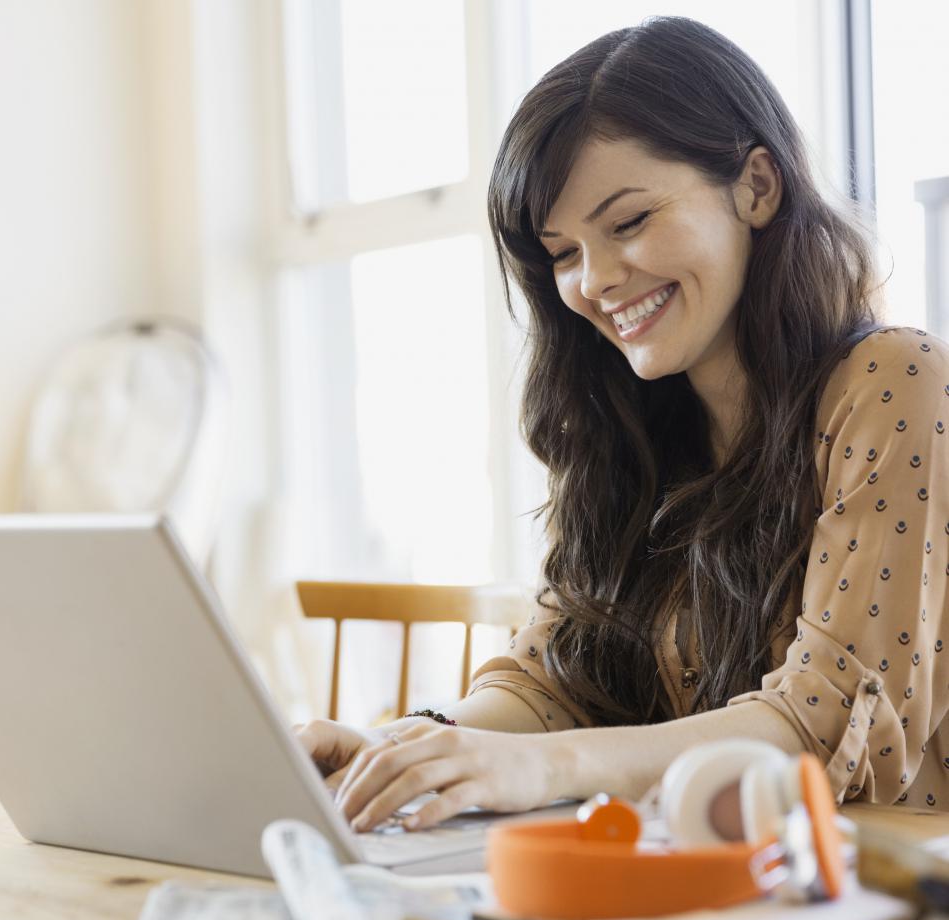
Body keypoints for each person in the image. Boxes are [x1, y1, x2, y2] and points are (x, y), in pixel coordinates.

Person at [298, 16, 949, 832]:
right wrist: (399, 747)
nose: (595, 281)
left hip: (870, 911)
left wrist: (544, 766)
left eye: (628, 221)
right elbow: (546, 678)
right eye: (562, 253)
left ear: (756, 185)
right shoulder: (634, 427)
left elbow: (825, 719)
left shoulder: (896, 380)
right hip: (701, 897)